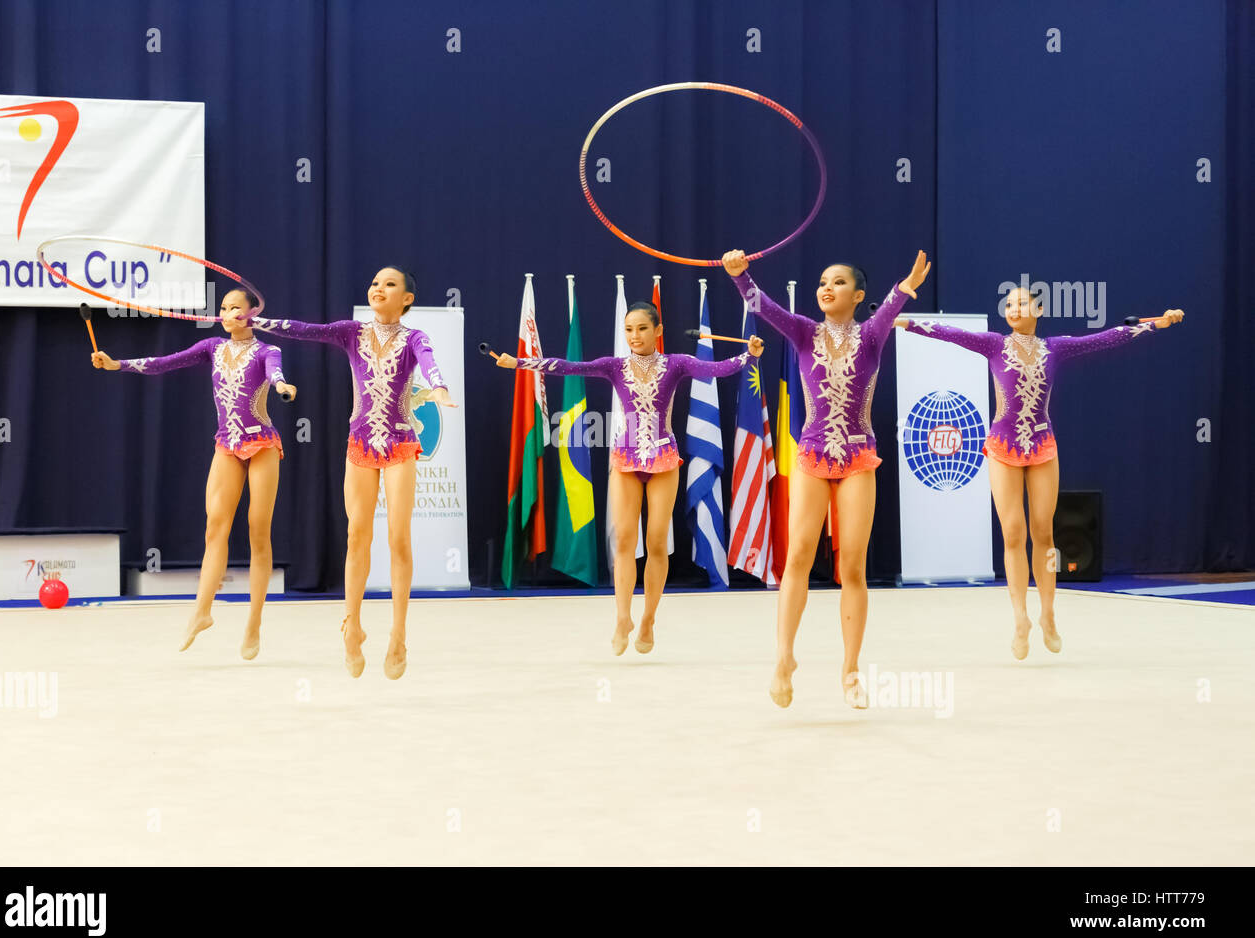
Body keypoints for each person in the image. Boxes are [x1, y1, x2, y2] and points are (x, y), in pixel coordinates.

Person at [895, 288, 1183, 658]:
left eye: (1022, 303)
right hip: (1002, 448)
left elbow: (1108, 338)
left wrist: (1157, 322)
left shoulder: (1055, 347)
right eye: (1009, 304)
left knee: (1043, 533)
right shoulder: (993, 344)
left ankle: (1048, 613)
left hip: (1042, 447)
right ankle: (1020, 618)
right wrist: (897, 320)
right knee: (1013, 533)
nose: (1014, 309)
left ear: (1039, 309)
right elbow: (945, 332)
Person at [722, 248, 931, 708]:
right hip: (813, 455)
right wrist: (741, 276)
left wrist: (906, 286)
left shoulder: (872, 335)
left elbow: (893, 305)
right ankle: (783, 658)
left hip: (858, 456)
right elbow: (763, 306)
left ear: (858, 295)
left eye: (837, 282)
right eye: (821, 281)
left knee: (851, 566)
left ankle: (851, 670)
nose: (825, 288)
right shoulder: (803, 331)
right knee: (797, 556)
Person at [494, 301, 763, 655]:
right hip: (626, 458)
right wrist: (520, 363)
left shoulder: (676, 364)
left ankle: (649, 617)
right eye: (629, 329)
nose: (635, 336)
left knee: (655, 542)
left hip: (664, 459)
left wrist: (750, 357)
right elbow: (569, 367)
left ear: (658, 331)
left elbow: (716, 367)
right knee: (623, 540)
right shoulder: (615, 366)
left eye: (642, 328)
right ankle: (623, 617)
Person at [251, 267, 455, 678]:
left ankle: (398, 632)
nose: (379, 288)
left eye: (390, 284)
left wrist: (439, 387)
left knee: (398, 536)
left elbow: (430, 363)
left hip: (399, 444)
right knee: (357, 533)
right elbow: (304, 330)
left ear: (407, 299)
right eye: (376, 283)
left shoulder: (415, 339)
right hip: (360, 445)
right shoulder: (351, 332)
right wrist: (258, 321)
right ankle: (353, 623)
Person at [92, 288, 295, 659]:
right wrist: (116, 364)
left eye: (235, 307)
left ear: (253, 313)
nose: (227, 312)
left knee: (257, 531)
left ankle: (254, 622)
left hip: (262, 444)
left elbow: (275, 372)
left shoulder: (268, 351)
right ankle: (201, 611)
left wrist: (282, 385)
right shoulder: (212, 347)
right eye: (223, 307)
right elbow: (165, 362)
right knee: (215, 527)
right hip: (227, 445)